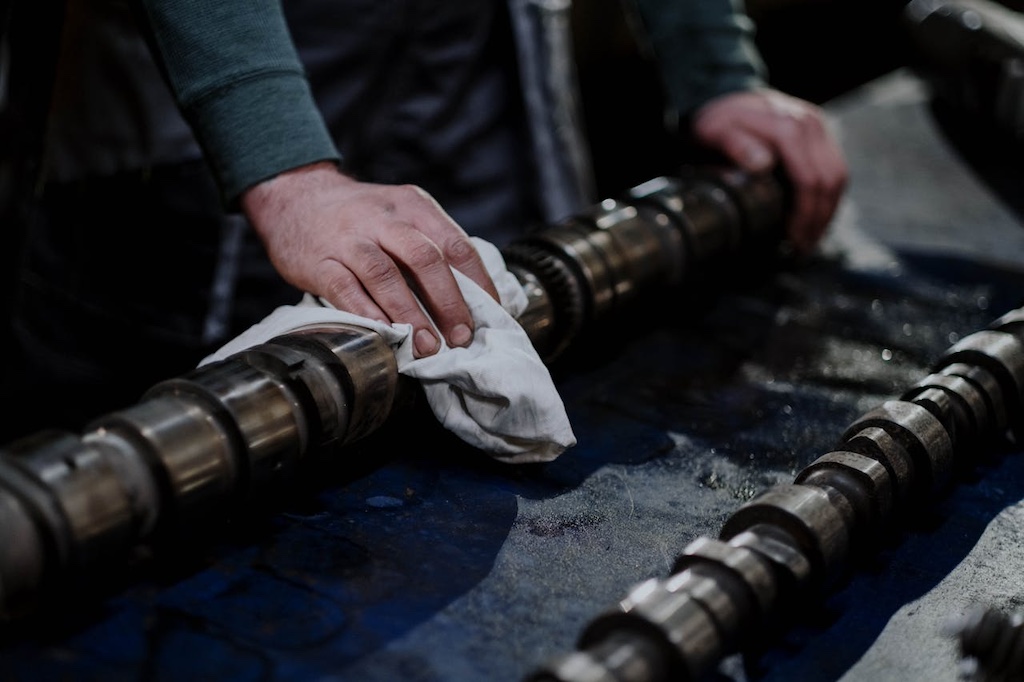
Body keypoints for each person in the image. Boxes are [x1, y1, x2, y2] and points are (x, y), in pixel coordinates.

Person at [0, 0, 846, 442]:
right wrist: (281, 166)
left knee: (471, 334)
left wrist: (717, 68)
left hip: (462, 53)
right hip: (213, 58)